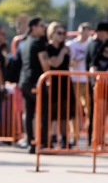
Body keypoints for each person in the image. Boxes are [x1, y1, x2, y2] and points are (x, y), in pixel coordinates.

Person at [18, 17, 50, 154]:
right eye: (41, 26)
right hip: (36, 81)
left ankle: (30, 142)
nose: (44, 28)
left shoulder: (24, 42)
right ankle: (40, 142)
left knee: (29, 112)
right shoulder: (38, 42)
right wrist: (49, 77)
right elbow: (44, 61)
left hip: (24, 81)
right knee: (43, 112)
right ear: (33, 27)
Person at [44, 22, 72, 148]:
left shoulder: (66, 48)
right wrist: (62, 53)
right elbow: (54, 63)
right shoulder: (47, 48)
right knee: (51, 113)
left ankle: (65, 140)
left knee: (64, 114)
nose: (61, 36)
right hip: (52, 83)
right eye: (59, 33)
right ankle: (48, 139)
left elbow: (71, 63)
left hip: (65, 83)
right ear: (52, 33)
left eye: (63, 33)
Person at [85, 22, 108, 144]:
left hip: (95, 84)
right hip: (97, 85)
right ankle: (94, 138)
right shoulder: (96, 45)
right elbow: (93, 65)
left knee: (95, 113)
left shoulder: (91, 44)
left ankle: (93, 138)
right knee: (97, 113)